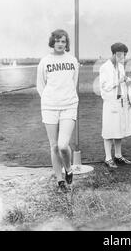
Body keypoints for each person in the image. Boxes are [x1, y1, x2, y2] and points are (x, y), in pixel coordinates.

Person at [36, 29, 78, 193]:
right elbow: (41, 85)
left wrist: (65, 98)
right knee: (53, 146)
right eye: (58, 41)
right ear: (52, 42)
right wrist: (49, 100)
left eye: (63, 41)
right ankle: (60, 180)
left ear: (66, 43)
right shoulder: (45, 61)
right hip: (49, 107)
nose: (60, 44)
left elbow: (73, 83)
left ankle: (68, 168)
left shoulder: (72, 60)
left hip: (68, 105)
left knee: (62, 145)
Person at [99, 42, 131, 168]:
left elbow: (122, 82)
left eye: (124, 54)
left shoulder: (120, 66)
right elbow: (104, 86)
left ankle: (118, 155)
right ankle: (108, 158)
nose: (122, 57)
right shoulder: (105, 67)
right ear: (114, 53)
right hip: (110, 102)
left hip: (120, 101)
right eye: (120, 54)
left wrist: (129, 80)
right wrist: (118, 81)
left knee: (119, 130)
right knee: (108, 131)